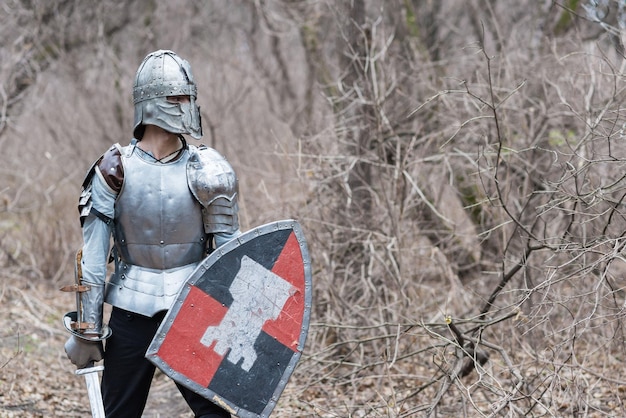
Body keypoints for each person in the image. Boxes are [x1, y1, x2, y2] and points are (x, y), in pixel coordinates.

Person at [63, 50, 240, 418]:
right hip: (131, 307)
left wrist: (232, 325)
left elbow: (230, 258)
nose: (186, 106)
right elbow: (94, 259)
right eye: (177, 97)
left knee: (215, 413)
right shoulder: (113, 168)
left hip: (191, 310)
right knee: (120, 413)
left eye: (189, 97)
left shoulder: (209, 168)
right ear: (150, 103)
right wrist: (89, 331)